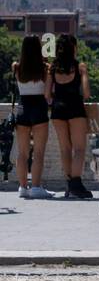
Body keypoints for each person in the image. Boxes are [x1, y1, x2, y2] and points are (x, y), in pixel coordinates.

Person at [48, 34, 94, 200]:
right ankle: (76, 185)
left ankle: (70, 185)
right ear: (73, 48)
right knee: (79, 149)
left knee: (65, 148)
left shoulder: (52, 68)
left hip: (58, 110)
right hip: (75, 108)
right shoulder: (79, 66)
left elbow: (47, 94)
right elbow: (87, 93)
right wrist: (84, 73)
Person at [10, 34, 53, 199]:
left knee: (22, 153)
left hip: (23, 108)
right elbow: (48, 95)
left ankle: (22, 187)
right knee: (39, 152)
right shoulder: (46, 68)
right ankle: (36, 187)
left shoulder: (16, 67)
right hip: (39, 108)